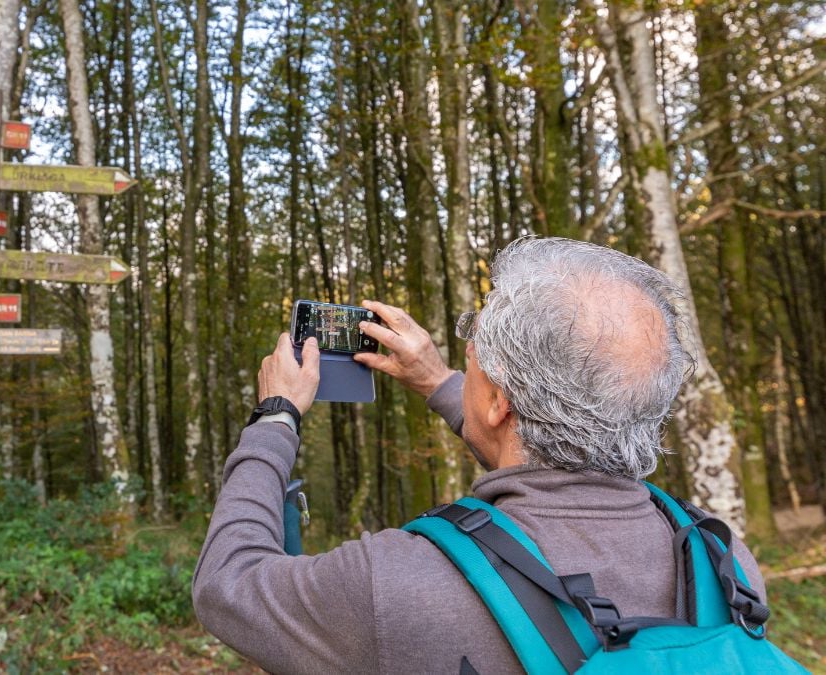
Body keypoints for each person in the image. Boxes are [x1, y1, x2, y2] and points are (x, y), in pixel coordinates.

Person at [191, 237, 765, 674]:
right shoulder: (723, 563)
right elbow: (546, 472)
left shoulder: (395, 584)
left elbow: (228, 586)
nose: (465, 358)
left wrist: (275, 417)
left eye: (476, 352)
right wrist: (438, 380)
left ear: (497, 401)